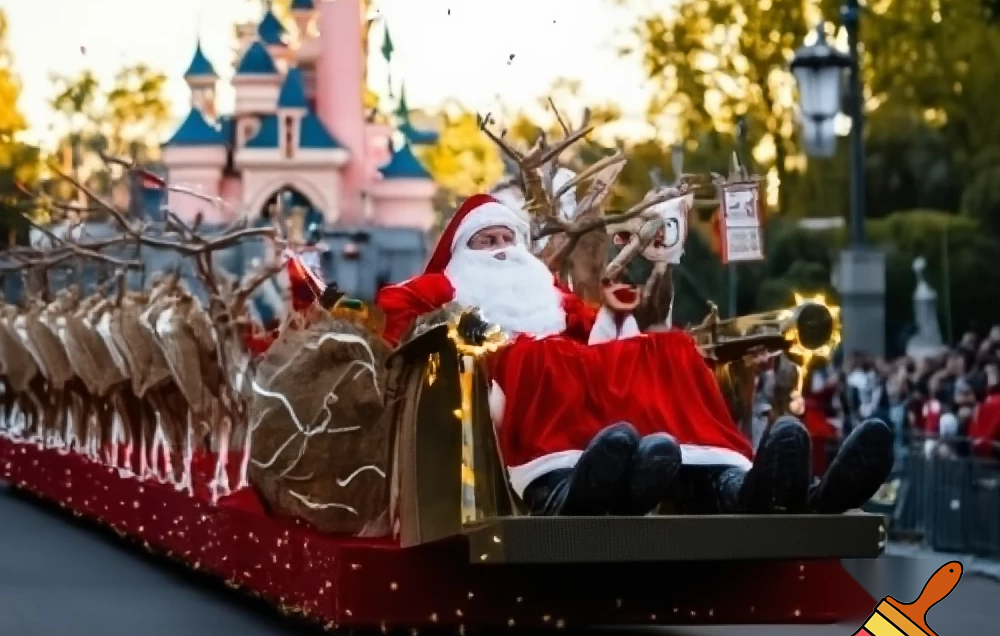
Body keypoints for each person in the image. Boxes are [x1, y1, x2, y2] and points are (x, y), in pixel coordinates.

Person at [376, 194, 893, 517]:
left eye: (506, 236)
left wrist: (620, 313)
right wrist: (449, 319)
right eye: (486, 240)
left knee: (668, 349)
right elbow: (393, 318)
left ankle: (731, 481)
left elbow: (597, 334)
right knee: (541, 360)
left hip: (572, 369)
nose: (500, 248)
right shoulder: (447, 283)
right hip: (501, 373)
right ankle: (557, 485)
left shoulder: (545, 290)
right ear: (465, 249)